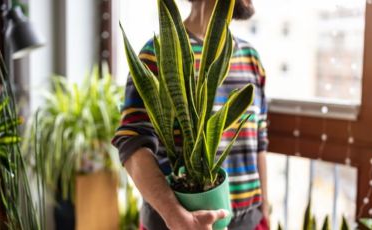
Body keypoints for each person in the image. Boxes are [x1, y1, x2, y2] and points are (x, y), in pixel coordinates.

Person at [112, 0, 269, 229]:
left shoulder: (251, 57)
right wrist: (175, 216)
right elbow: (132, 143)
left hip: (249, 222)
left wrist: (265, 211)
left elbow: (260, 143)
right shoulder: (159, 53)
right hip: (174, 223)